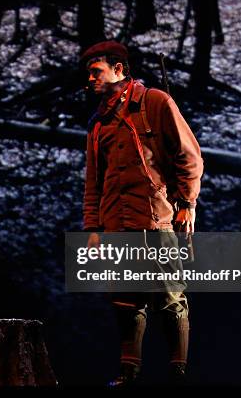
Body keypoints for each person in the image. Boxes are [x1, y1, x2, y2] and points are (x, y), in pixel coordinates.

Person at [80, 40, 203, 385]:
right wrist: (93, 228)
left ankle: (178, 370)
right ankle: (128, 371)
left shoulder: (155, 103)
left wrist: (188, 205)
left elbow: (189, 157)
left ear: (119, 69)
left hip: (156, 216)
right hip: (117, 222)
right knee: (124, 298)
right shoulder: (98, 123)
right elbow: (94, 181)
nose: (89, 79)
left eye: (96, 71)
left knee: (169, 296)